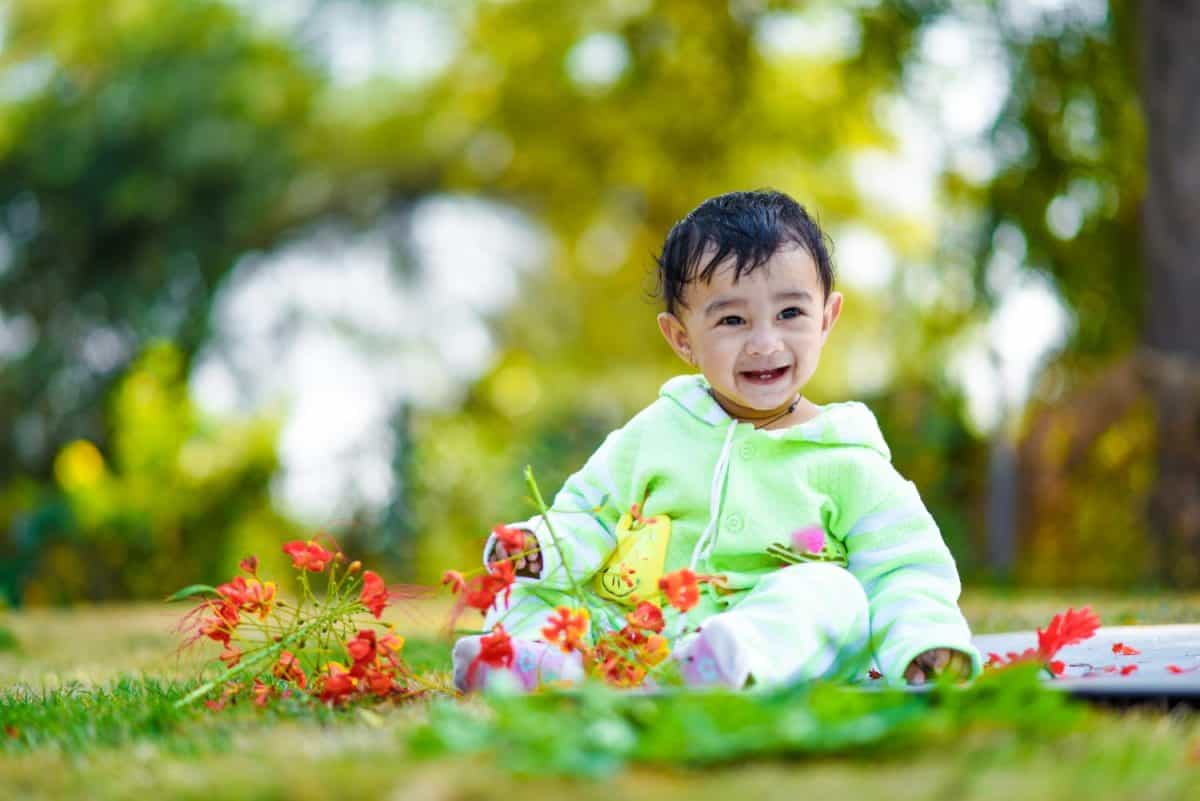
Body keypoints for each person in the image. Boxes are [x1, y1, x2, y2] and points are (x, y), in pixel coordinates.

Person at [452, 189, 980, 691]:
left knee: (836, 595)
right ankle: (535, 659)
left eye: (790, 313)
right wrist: (540, 548)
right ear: (683, 339)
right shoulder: (652, 434)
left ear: (826, 318)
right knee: (537, 588)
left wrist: (924, 640)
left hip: (768, 637)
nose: (764, 343)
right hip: (631, 633)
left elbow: (904, 565)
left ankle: (732, 660)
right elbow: (587, 517)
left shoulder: (847, 459)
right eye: (732, 319)